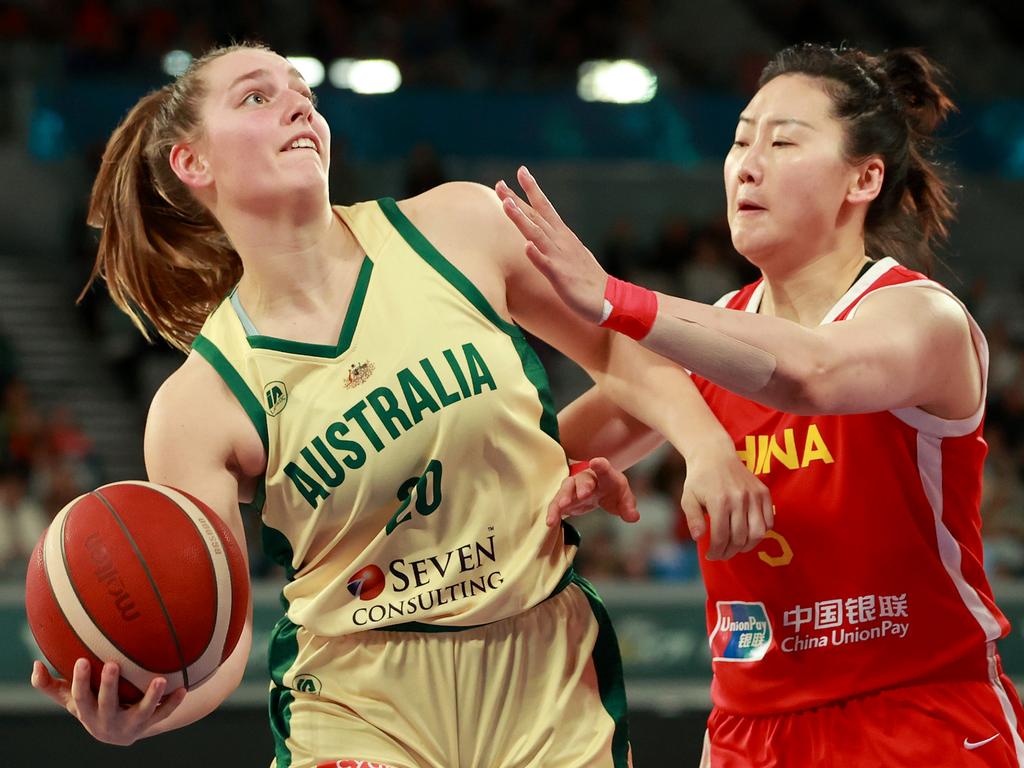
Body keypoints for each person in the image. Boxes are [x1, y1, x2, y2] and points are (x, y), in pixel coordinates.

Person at [29, 43, 772, 768]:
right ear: (193, 163)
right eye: (258, 96)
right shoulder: (200, 403)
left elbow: (619, 347)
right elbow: (218, 644)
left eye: (303, 94)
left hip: (544, 667)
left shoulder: (458, 227)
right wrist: (146, 713)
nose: (297, 105)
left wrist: (705, 447)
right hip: (360, 704)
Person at [497, 43, 1024, 767]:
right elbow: (537, 460)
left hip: (918, 718)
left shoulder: (920, 318)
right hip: (750, 735)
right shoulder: (707, 333)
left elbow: (810, 374)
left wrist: (614, 299)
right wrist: (584, 482)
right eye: (741, 139)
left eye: (782, 142)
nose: (747, 163)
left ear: (864, 177)